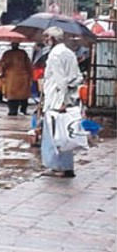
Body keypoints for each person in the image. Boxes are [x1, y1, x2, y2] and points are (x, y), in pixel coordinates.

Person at [40, 27, 83, 178]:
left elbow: (60, 80)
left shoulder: (54, 55)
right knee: (65, 134)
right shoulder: (69, 53)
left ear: (52, 38)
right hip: (67, 98)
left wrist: (61, 101)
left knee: (55, 135)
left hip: (56, 100)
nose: (44, 40)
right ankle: (66, 166)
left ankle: (57, 167)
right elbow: (78, 77)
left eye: (46, 37)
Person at [0, 41, 33, 116]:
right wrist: (30, 76)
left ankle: (13, 110)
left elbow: (2, 65)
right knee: (23, 96)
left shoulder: (7, 54)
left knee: (12, 97)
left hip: (11, 78)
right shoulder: (23, 53)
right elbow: (29, 65)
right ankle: (23, 109)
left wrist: (2, 73)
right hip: (23, 77)